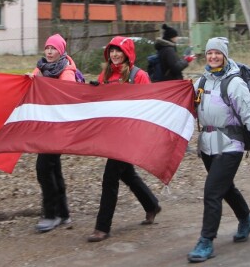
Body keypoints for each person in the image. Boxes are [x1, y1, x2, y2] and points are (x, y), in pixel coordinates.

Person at [187, 37, 250, 263]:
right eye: (209, 53)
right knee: (225, 188)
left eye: (217, 53)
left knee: (212, 191)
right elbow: (188, 109)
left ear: (225, 56)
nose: (213, 57)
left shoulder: (235, 84)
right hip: (207, 144)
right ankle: (246, 219)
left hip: (230, 144)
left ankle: (206, 241)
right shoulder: (201, 83)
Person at [87, 36, 162, 242]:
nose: (115, 54)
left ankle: (102, 227)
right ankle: (152, 205)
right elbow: (101, 103)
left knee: (110, 176)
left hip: (130, 135)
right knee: (126, 173)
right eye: (111, 51)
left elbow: (149, 105)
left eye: (119, 51)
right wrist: (95, 91)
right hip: (112, 134)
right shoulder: (106, 74)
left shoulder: (139, 76)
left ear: (127, 53)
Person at [30, 34, 78, 233]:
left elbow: (66, 94)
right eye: (47, 48)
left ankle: (51, 215)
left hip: (58, 129)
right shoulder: (41, 67)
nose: (49, 52)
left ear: (61, 51)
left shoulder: (66, 71)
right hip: (44, 128)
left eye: (53, 48)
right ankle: (63, 212)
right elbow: (29, 86)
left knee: (43, 168)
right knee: (53, 168)